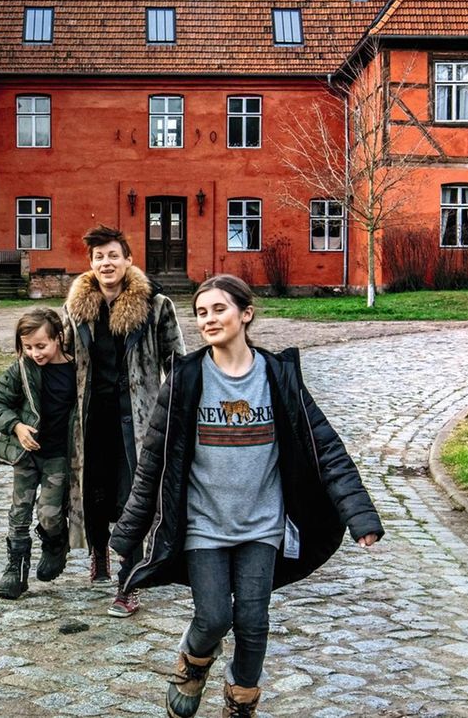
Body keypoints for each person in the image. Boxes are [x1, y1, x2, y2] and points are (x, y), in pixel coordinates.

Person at [111, 274, 383, 718]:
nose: (209, 319)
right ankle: (194, 661)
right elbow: (153, 463)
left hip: (262, 525)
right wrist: (128, 533)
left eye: (219, 309)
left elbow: (326, 449)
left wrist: (360, 515)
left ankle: (241, 702)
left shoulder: (278, 377)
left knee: (254, 622)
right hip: (203, 525)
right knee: (214, 617)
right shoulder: (186, 379)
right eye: (201, 312)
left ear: (246, 314)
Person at [62, 224, 184, 617]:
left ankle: (128, 582)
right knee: (94, 490)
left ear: (128, 260)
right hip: (90, 418)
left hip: (138, 419)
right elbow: (61, 360)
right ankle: (99, 553)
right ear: (91, 263)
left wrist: (179, 412)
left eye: (113, 255)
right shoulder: (76, 308)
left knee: (134, 495)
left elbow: (177, 364)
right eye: (99, 257)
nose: (106, 263)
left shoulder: (156, 305)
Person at [0, 308, 76, 600]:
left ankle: (55, 542)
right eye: (28, 347)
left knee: (49, 513)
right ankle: (15, 569)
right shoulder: (21, 370)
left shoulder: (77, 371)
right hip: (26, 455)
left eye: (41, 346)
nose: (35, 353)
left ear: (58, 338)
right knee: (19, 512)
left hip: (58, 457)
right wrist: (16, 426)